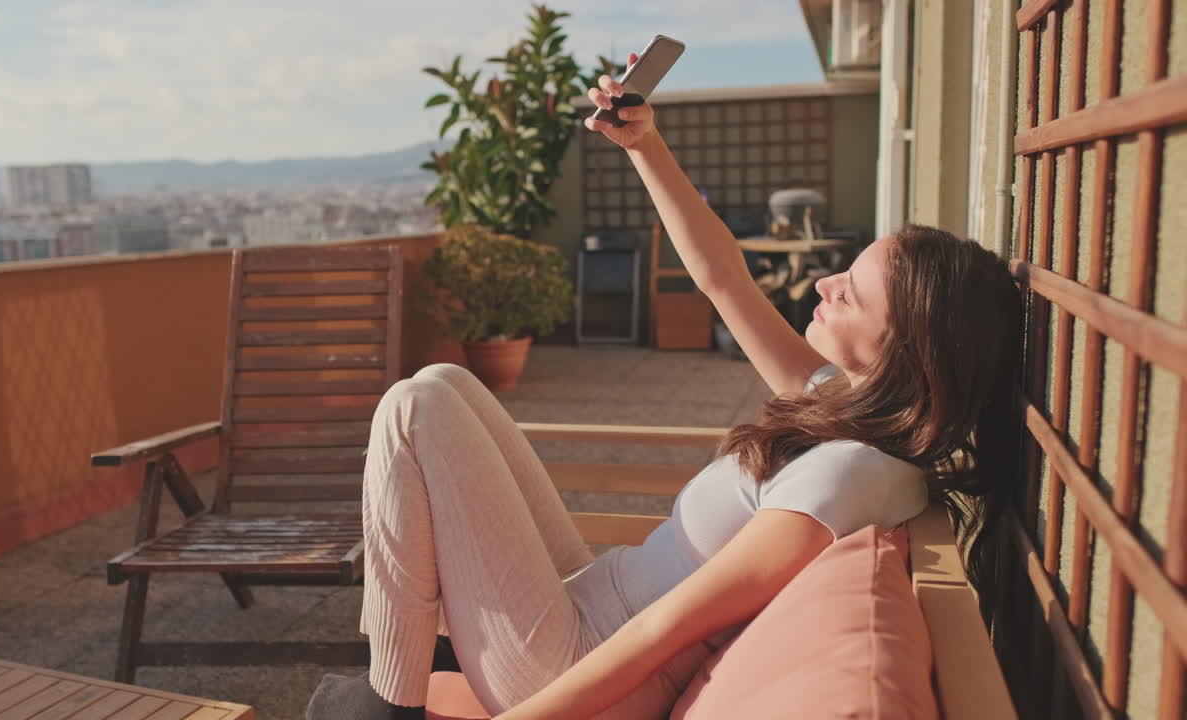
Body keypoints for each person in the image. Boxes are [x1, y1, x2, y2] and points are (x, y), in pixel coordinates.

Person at [307, 51, 1023, 720]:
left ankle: (388, 703)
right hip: (589, 601)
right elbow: (723, 277)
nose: (823, 283)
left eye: (851, 294)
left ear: (905, 351)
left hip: (572, 659)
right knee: (447, 382)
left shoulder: (848, 476)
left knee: (417, 406)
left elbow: (665, 631)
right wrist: (645, 145)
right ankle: (428, 653)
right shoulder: (850, 411)